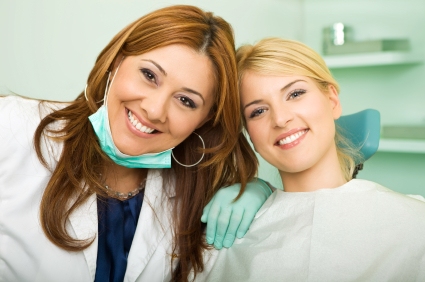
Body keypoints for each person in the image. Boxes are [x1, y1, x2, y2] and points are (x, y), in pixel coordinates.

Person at [0, 5, 273, 282]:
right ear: (117, 62)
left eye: (186, 101)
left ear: (203, 120)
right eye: (149, 75)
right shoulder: (10, 127)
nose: (155, 110)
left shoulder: (198, 195)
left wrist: (262, 194)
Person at [195, 37, 425, 281]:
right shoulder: (223, 237)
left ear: (332, 101)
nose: (281, 119)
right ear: (250, 135)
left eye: (295, 93)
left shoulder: (415, 223)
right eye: (258, 111)